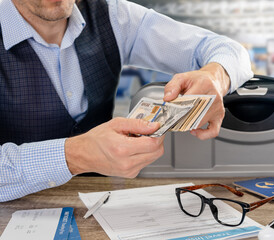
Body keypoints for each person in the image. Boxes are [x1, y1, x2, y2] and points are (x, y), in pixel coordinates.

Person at [0, 0, 253, 202]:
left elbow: (230, 50)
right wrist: (75, 155)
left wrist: (216, 76)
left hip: (101, 203)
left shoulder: (114, 15)